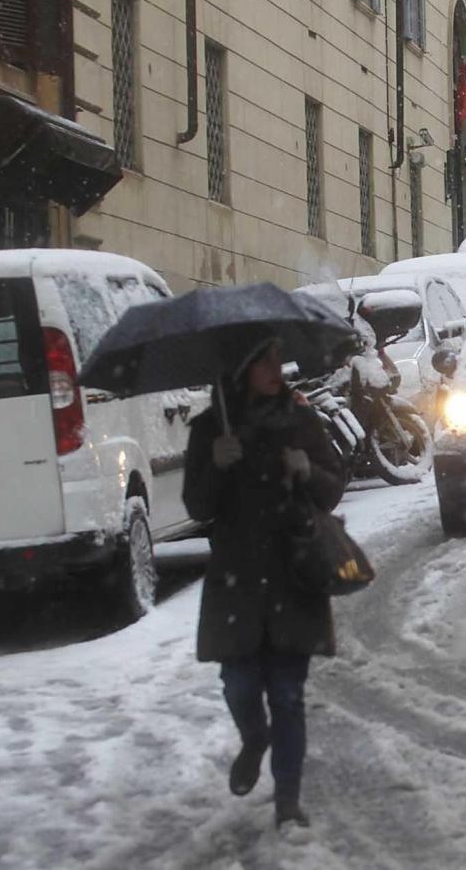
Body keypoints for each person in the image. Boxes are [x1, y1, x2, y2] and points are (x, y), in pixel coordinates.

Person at [183, 334, 348, 830]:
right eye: (265, 360)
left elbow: (333, 488)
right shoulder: (212, 429)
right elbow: (196, 506)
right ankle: (254, 738)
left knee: (288, 696)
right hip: (236, 582)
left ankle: (288, 803)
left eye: (279, 357)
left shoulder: (301, 420)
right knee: (238, 686)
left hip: (292, 574)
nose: (278, 367)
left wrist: (307, 472)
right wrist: (216, 463)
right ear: (241, 368)